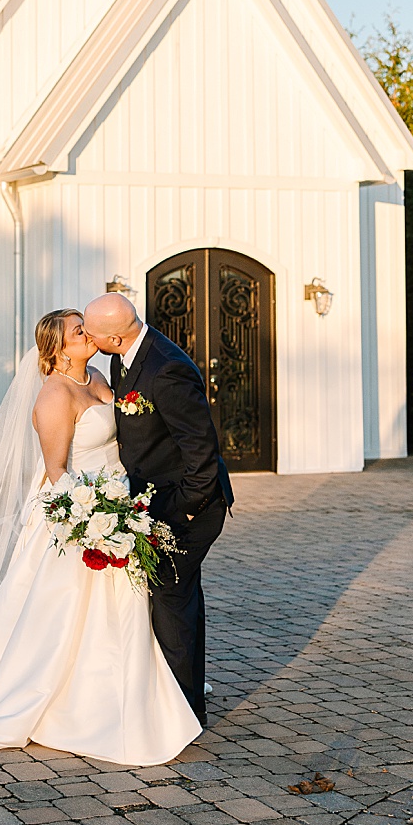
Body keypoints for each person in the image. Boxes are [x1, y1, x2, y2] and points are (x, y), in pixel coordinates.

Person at [0, 308, 201, 766]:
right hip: (78, 511)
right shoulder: (53, 396)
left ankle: (127, 686)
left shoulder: (98, 375)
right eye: (79, 330)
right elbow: (55, 473)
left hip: (117, 499)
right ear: (57, 348)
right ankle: (60, 701)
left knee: (122, 604)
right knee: (64, 609)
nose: (88, 333)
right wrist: (94, 521)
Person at [83, 293, 234, 725]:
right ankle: (179, 697)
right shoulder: (125, 356)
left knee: (171, 597)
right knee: (178, 596)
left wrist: (183, 511)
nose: (89, 340)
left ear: (113, 336)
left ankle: (184, 712)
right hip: (153, 500)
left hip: (187, 506)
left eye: (92, 333)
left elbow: (201, 453)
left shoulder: (166, 369)